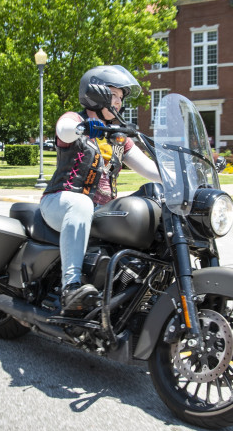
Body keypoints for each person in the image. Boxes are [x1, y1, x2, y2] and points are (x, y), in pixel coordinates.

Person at [40, 65, 162, 312]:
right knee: (82, 202)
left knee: (148, 207)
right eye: (113, 95)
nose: (118, 102)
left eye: (120, 97)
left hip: (99, 210)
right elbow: (63, 128)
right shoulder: (76, 120)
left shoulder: (118, 138)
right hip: (61, 201)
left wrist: (181, 176)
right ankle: (70, 287)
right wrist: (82, 128)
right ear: (95, 95)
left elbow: (150, 169)